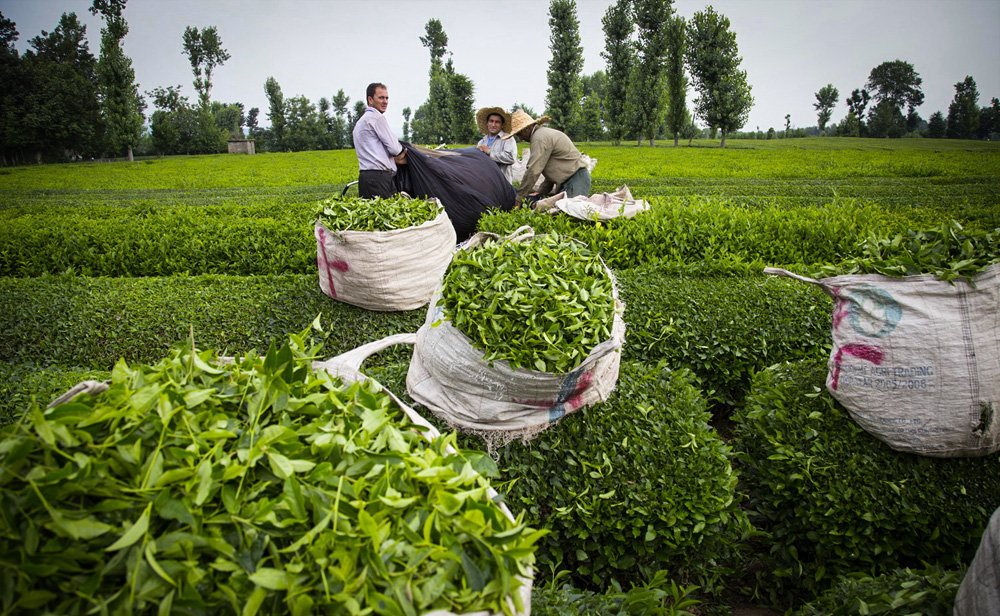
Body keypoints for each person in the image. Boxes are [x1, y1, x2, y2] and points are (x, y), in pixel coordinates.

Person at [504, 109, 591, 205]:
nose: (520, 138)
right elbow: (551, 175)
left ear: (527, 128)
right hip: (571, 180)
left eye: (519, 134)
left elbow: (533, 171)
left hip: (575, 180)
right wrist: (541, 192)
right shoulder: (541, 134)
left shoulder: (539, 138)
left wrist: (519, 198)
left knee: (570, 211)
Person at [352, 82, 407, 198]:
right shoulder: (377, 118)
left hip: (365, 178)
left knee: (371, 214)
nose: (385, 101)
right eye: (381, 98)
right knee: (387, 214)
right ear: (370, 99)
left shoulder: (360, 123)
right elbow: (395, 148)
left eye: (387, 98)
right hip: (379, 178)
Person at [475, 107, 517, 183]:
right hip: (485, 181)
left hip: (502, 182)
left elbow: (511, 158)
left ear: (502, 125)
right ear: (487, 123)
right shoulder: (481, 142)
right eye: (491, 121)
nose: (493, 124)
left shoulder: (507, 138)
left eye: (497, 122)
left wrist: (489, 152)